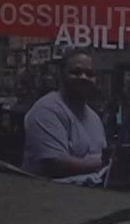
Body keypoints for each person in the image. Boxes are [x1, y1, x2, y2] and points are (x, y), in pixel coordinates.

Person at [22, 50, 108, 181]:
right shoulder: (46, 109)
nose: (84, 77)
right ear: (62, 75)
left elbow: (101, 155)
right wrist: (108, 163)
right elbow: (57, 165)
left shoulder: (94, 118)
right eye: (76, 72)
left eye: (90, 74)